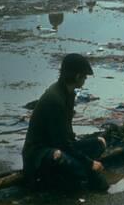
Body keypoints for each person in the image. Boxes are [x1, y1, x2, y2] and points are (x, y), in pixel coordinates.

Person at [22, 54, 109, 192]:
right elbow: (61, 144)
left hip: (60, 145)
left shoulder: (69, 94)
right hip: (40, 153)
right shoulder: (54, 99)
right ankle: (76, 175)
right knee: (62, 158)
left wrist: (85, 153)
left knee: (99, 143)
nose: (85, 80)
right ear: (77, 76)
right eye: (84, 76)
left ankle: (78, 173)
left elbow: (67, 137)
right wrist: (89, 163)